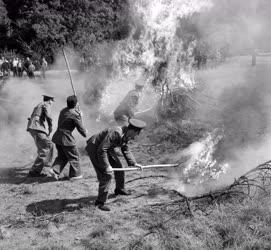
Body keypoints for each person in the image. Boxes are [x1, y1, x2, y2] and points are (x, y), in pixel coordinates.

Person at [85, 118, 146, 211]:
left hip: (106, 148)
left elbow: (125, 148)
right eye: (137, 133)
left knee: (118, 166)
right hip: (95, 147)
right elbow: (101, 150)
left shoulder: (127, 134)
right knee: (106, 175)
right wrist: (106, 166)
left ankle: (119, 189)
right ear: (132, 130)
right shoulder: (116, 132)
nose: (136, 136)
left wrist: (134, 163)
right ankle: (100, 202)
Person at [49, 95, 87, 180]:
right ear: (76, 104)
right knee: (74, 156)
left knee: (62, 156)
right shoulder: (75, 114)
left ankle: (55, 170)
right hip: (66, 138)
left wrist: (78, 113)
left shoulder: (63, 110)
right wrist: (85, 132)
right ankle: (75, 175)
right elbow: (80, 128)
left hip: (57, 137)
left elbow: (69, 114)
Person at [27, 95, 55, 177]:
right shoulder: (46, 104)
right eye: (52, 101)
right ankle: (35, 171)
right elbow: (49, 116)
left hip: (34, 127)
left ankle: (46, 166)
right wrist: (50, 127)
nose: (52, 103)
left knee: (48, 145)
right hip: (36, 127)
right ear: (50, 100)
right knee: (47, 146)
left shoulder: (39, 104)